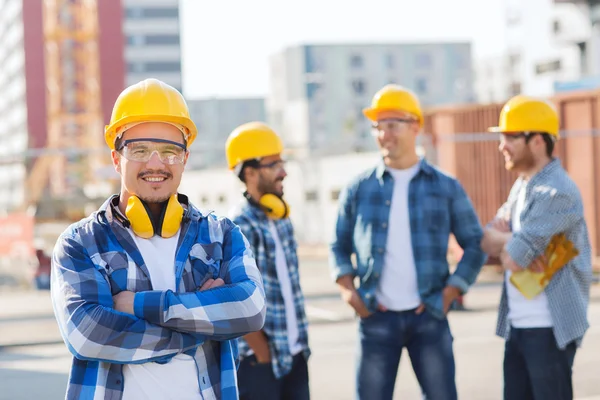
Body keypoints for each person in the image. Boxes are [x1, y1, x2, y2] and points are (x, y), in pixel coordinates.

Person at [50, 78, 266, 400]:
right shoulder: (80, 243)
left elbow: (249, 308)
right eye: (140, 150)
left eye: (170, 151)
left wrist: (138, 305)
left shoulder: (221, 235)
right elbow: (88, 334)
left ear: (185, 158)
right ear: (115, 158)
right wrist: (201, 328)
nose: (156, 164)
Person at [329, 84, 487, 400]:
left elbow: (475, 243)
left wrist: (451, 291)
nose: (383, 134)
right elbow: (338, 244)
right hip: (375, 316)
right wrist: (349, 291)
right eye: (377, 127)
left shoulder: (445, 187)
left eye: (392, 125)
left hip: (429, 315)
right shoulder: (358, 188)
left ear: (415, 126)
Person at [480, 95, 592, 400]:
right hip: (519, 325)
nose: (502, 145)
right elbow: (487, 240)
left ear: (538, 141)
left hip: (548, 329)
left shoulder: (557, 192)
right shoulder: (523, 185)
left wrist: (513, 243)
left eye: (510, 137)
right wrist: (517, 240)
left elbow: (514, 259)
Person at [225, 122, 311, 400]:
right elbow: (233, 297)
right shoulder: (238, 227)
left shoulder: (281, 220)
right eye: (274, 165)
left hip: (295, 353)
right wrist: (261, 351)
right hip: (259, 362)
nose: (283, 172)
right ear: (249, 172)